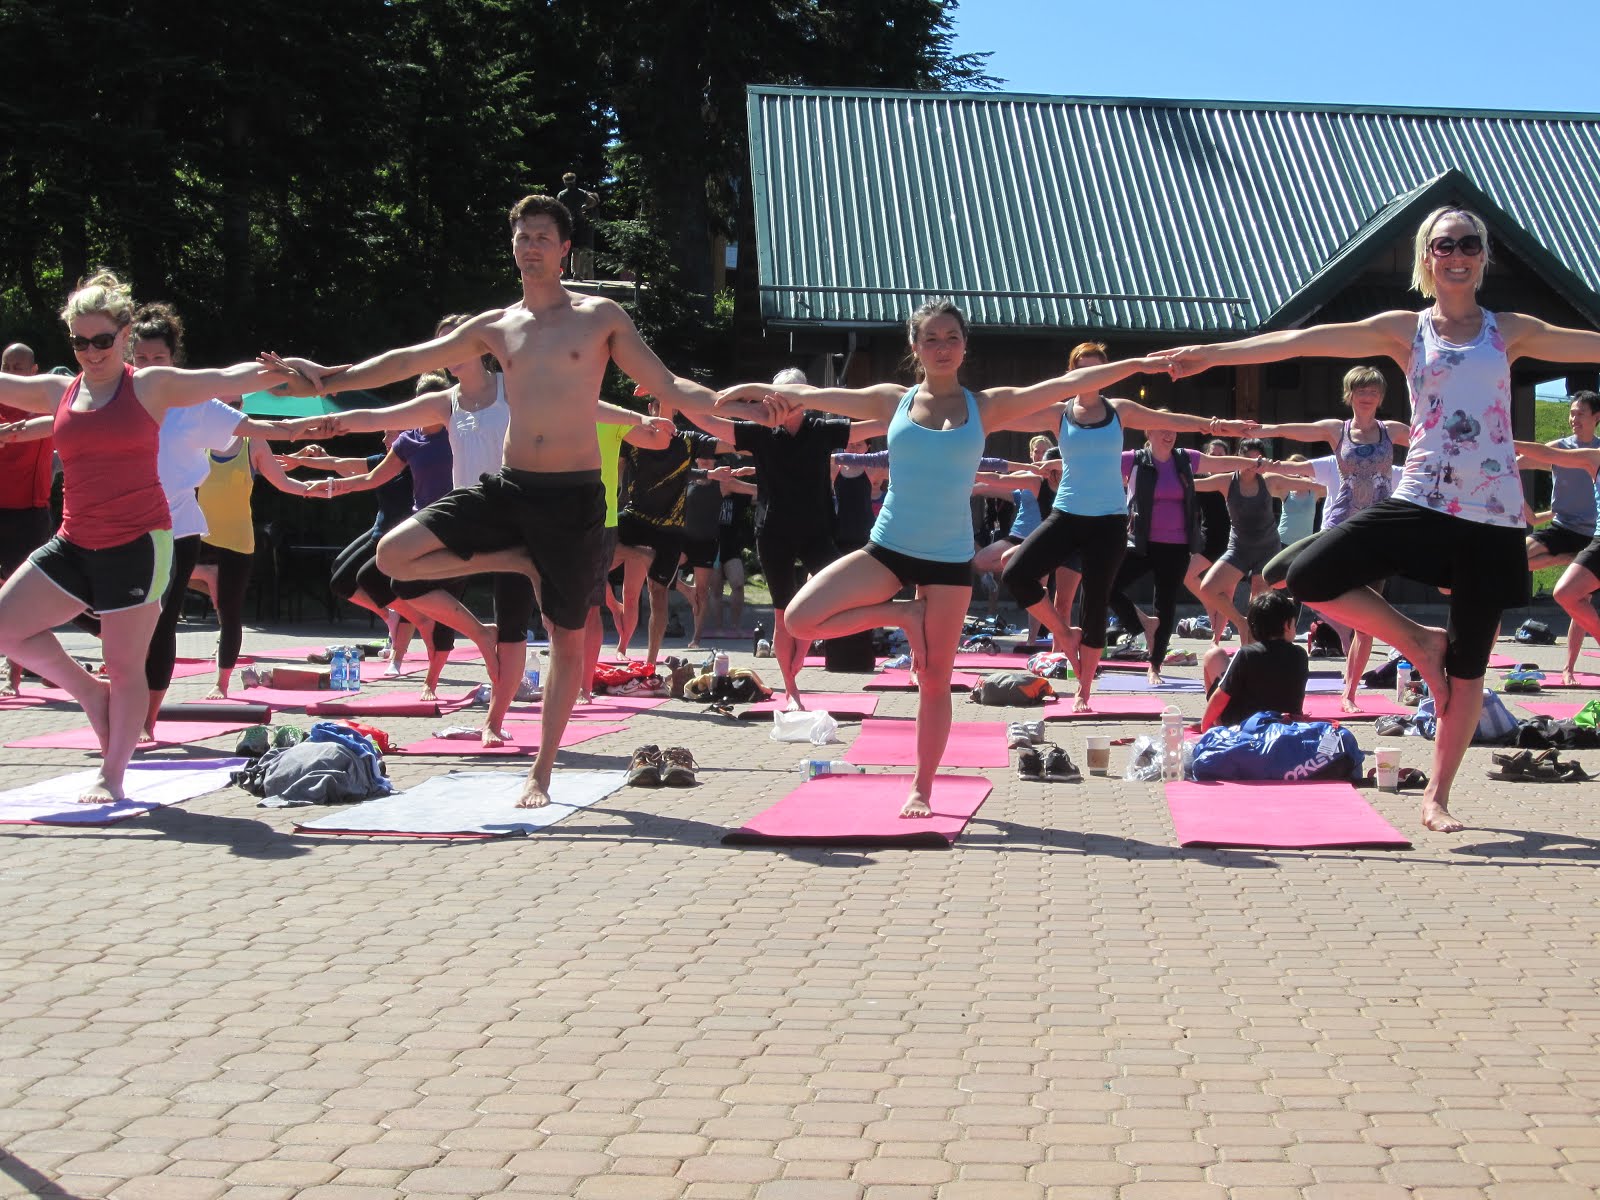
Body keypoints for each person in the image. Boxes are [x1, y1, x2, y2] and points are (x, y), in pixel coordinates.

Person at [262, 193, 758, 809]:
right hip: (511, 485)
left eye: (543, 237)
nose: (530, 247)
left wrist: (740, 412)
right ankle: (517, 559)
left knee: (568, 639)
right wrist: (328, 378)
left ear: (564, 248)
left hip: (574, 497)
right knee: (393, 556)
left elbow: (668, 384)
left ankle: (541, 772)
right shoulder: (496, 325)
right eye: (523, 237)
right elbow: (409, 359)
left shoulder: (599, 317)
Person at [1158, 205, 1600, 833]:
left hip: (1495, 515)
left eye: (1468, 244)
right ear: (1427, 257)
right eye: (1444, 244)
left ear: (1483, 256)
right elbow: (1301, 340)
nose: (1457, 254)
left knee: (1469, 668)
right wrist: (1215, 353)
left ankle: (1437, 797)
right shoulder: (1405, 330)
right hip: (1420, 498)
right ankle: (1418, 641)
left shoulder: (1511, 330)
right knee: (1308, 575)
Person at [716, 299, 1172, 816]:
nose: (942, 347)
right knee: (799, 619)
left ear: (964, 346)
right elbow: (818, 395)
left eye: (951, 337)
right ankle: (903, 613)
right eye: (931, 338)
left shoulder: (987, 405)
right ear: (915, 347)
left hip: (950, 562)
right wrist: (756, 390)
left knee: (935, 680)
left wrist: (1143, 364)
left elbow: (1068, 384)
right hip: (888, 547)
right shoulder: (893, 399)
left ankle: (922, 788)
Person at [0, 271, 300, 804]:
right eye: (79, 342)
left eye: (102, 340)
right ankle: (89, 692)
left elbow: (222, 378)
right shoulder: (59, 391)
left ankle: (112, 774)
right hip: (73, 541)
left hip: (138, 545)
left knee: (126, 665)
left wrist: (283, 371)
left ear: (124, 335)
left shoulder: (149, 385)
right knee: (6, 626)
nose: (91, 352)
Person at [283, 316, 539, 743]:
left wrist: (630, 419)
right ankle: (481, 627)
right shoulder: (445, 401)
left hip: (515, 511)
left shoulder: (511, 387)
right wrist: (328, 421)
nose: (448, 353)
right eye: (441, 345)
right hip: (467, 511)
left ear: (481, 345)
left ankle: (494, 722)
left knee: (513, 625)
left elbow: (574, 404)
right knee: (396, 567)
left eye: (455, 342)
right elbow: (381, 416)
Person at [997, 341, 1257, 706]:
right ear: (1071, 374)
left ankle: (1084, 690)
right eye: (1083, 370)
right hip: (1067, 514)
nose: (1090, 377)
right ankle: (1063, 634)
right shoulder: (1059, 413)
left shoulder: (1119, 410)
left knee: (1095, 602)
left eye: (1097, 370)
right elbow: (1005, 414)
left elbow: (1171, 421)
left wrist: (1216, 425)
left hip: (1109, 521)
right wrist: (965, 414)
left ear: (1107, 374)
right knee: (1016, 573)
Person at [129, 303, 314, 732]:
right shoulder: (117, 397)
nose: (149, 367)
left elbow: (245, 394)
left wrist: (312, 423)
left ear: (174, 359)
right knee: (122, 618)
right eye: (140, 358)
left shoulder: (195, 404)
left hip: (183, 530)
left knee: (168, 620)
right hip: (127, 529)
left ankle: (149, 720)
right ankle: (120, 696)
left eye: (158, 358)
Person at [677, 367, 881, 706]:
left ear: (806, 398)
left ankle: (801, 657)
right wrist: (672, 395)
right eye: (779, 397)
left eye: (794, 396)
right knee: (783, 617)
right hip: (774, 534)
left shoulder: (822, 430)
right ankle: (791, 688)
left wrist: (920, 408)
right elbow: (708, 419)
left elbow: (877, 424)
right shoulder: (759, 432)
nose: (786, 404)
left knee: (826, 603)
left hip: (818, 533)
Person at [1253, 366, 1412, 710]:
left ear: (1381, 397)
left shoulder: (1393, 431)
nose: (1367, 397)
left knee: (1367, 628)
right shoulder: (1336, 430)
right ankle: (1335, 617)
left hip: (1377, 534)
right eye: (1361, 391)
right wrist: (1265, 429)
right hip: (1338, 528)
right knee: (1276, 574)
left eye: (1373, 391)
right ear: (1349, 394)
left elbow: (1436, 445)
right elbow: (1298, 429)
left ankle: (1349, 694)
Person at [1100, 430, 1268, 688]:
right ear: (1149, 432)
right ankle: (1143, 624)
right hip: (1141, 542)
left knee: (1165, 605)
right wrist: (1053, 464)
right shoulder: (1134, 458)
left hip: (1176, 546)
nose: (1168, 434)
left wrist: (1252, 462)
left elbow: (1220, 462)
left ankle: (1155, 665)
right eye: (1162, 430)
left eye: (1172, 430)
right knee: (1107, 586)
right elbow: (1096, 461)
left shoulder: (1185, 459)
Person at [613, 396, 725, 669]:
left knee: (657, 592)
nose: (662, 411)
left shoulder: (686, 440)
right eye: (656, 405)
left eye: (667, 405)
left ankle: (650, 662)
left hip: (669, 528)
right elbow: (617, 472)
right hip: (635, 518)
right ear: (649, 409)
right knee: (613, 575)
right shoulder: (635, 437)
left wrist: (708, 475)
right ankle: (621, 646)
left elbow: (727, 444)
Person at [1191, 440, 1315, 651]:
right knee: (1208, 588)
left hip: (1267, 549)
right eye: (1247, 459)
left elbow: (1310, 485)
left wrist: (1335, 481)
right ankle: (1240, 622)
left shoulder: (1269, 480)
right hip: (1239, 548)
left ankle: (1250, 654)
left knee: (1257, 607)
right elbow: (1191, 484)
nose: (1251, 464)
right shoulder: (1227, 481)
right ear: (1238, 457)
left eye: (1256, 460)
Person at [1523, 390, 1599, 683]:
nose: (1573, 418)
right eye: (1571, 413)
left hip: (1590, 533)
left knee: (1578, 601)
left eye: (1580, 413)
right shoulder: (1560, 447)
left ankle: (1568, 668)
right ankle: (1562, 558)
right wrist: (1530, 513)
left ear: (1596, 417)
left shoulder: (1596, 454)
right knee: (1514, 557)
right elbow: (1514, 465)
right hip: (1562, 527)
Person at [0, 341, 51, 696]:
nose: (12, 373)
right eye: (7, 366)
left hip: (29, 515)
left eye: (19, 367)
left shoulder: (44, 403)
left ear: (34, 372)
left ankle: (14, 674)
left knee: (23, 599)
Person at [1200, 591, 1309, 731]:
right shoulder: (1300, 655)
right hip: (1286, 725)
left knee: (1213, 656)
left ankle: (1212, 724)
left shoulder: (1246, 654)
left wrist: (1205, 727)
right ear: (1287, 625)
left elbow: (1220, 698)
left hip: (1244, 727)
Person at [557, 172, 600, 280]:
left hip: (567, 223)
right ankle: (575, 273)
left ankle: (565, 272)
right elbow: (593, 201)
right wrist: (584, 207)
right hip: (578, 223)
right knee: (576, 250)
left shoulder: (562, 194)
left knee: (566, 250)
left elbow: (557, 208)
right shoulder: (581, 193)